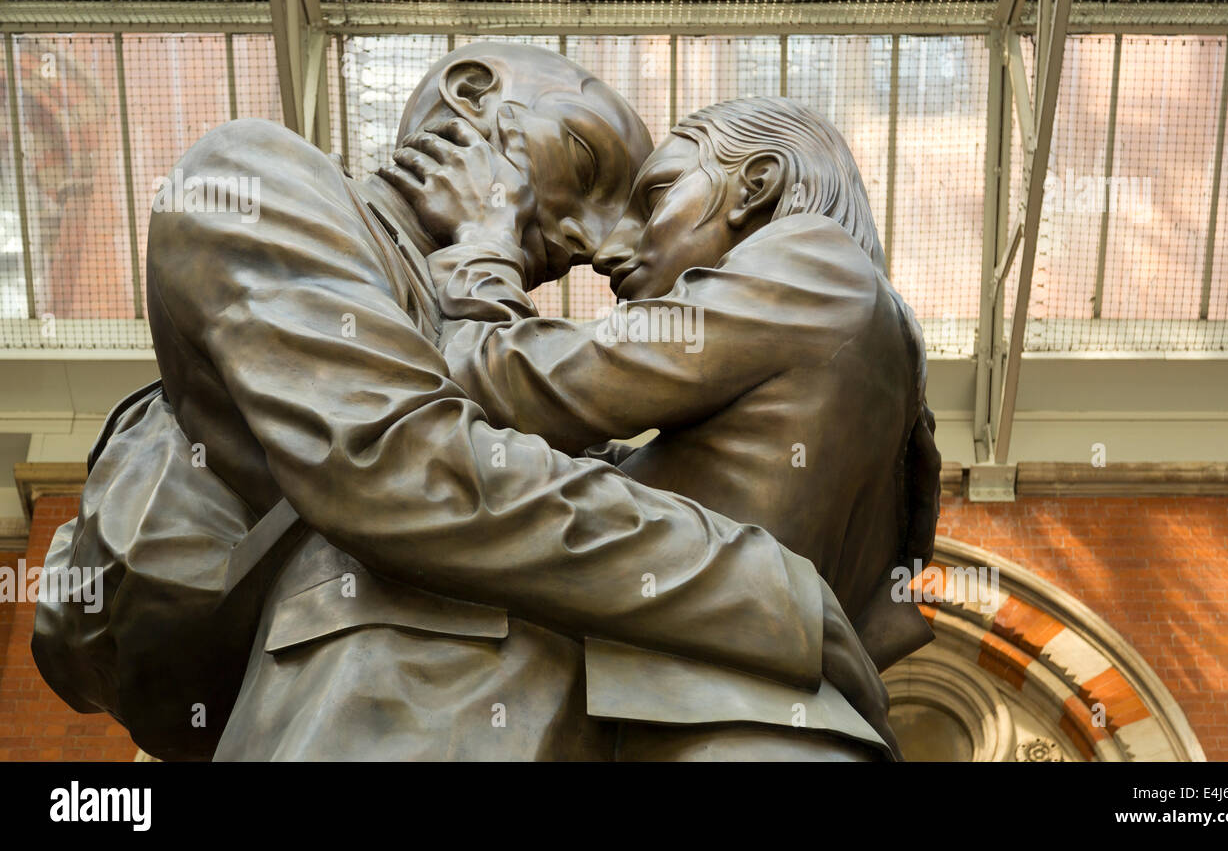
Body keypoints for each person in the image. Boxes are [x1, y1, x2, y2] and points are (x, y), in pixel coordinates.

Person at [135, 45, 886, 760]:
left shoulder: (810, 286)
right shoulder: (262, 177)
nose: (595, 244)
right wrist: (768, 591)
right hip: (390, 713)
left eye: (636, 207)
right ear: (471, 95)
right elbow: (403, 462)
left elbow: (534, 453)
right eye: (588, 164)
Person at [390, 96, 942, 759]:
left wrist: (483, 243)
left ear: (756, 187)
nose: (608, 250)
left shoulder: (811, 260)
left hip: (715, 726)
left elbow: (509, 381)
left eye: (653, 199)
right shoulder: (885, 355)